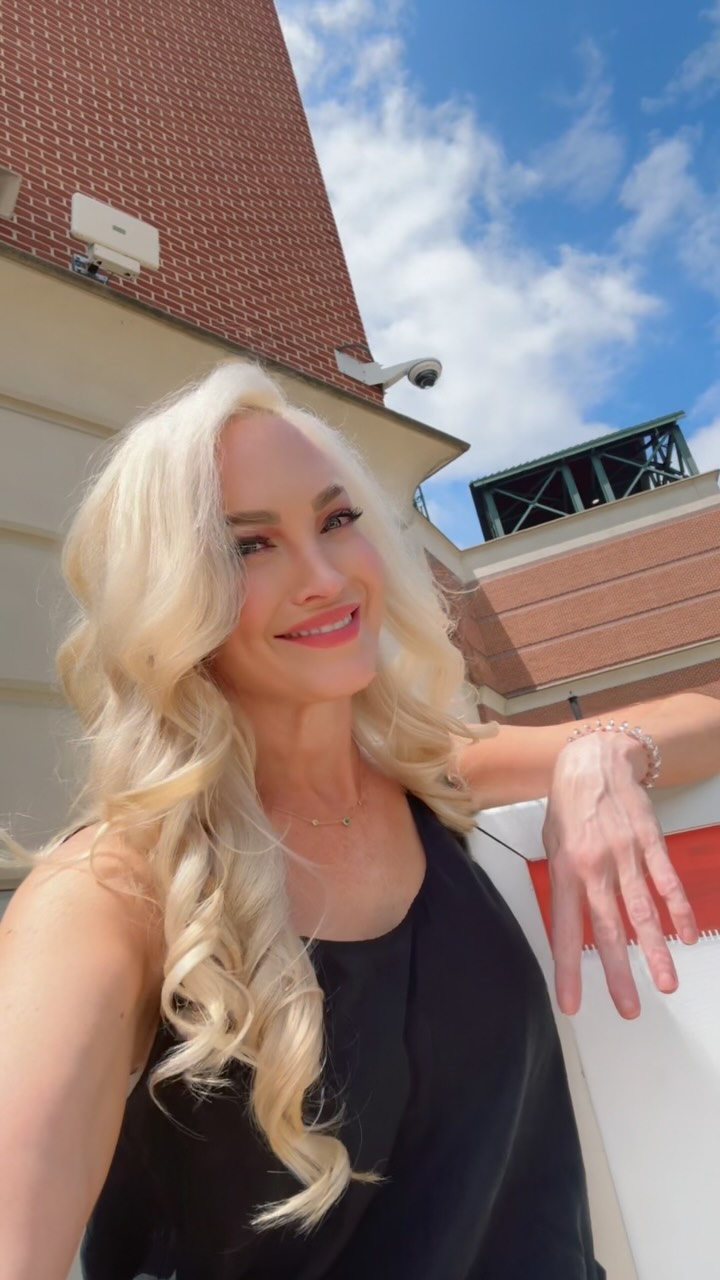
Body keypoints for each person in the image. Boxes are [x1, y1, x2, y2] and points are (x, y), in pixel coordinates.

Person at [1, 361, 718, 1280]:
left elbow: (702, 720)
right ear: (169, 595)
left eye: (337, 521)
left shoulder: (432, 775)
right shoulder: (108, 895)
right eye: (249, 546)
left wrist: (607, 753)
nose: (325, 576)